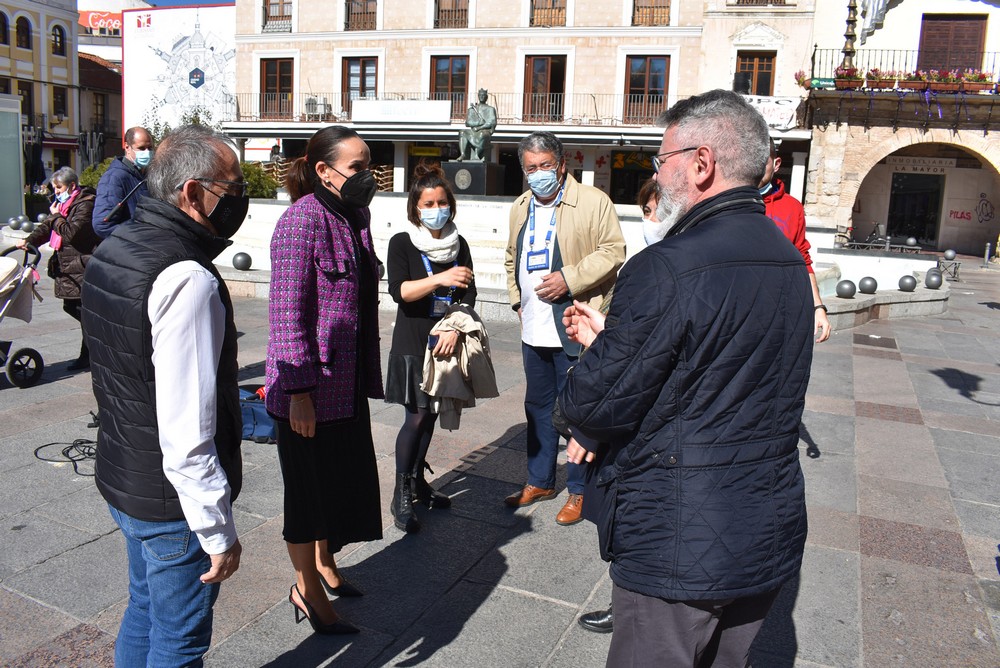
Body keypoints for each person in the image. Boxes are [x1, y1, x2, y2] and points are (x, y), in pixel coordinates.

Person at [559, 89, 814, 667]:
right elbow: (719, 369)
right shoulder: (787, 259)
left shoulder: (667, 265)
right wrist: (620, 343)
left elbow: (591, 406)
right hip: (767, 525)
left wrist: (599, 354)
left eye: (662, 159)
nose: (658, 172)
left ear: (701, 164)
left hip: (680, 538)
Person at [80, 125, 247, 666]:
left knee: (144, 611)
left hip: (125, 475)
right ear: (193, 194)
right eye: (233, 184)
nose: (241, 195)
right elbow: (186, 431)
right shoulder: (186, 277)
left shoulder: (117, 245)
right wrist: (217, 530)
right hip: (172, 502)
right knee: (178, 642)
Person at [265, 125, 384, 635]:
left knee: (335, 489)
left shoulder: (355, 214)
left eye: (369, 166)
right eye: (356, 168)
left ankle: (326, 565)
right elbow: (286, 315)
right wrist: (298, 394)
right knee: (306, 497)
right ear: (323, 171)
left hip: (347, 382)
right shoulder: (299, 223)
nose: (367, 177)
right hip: (307, 389)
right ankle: (306, 589)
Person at [503, 130, 625, 526]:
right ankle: (540, 479)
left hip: (574, 322)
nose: (537, 174)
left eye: (544, 166)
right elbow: (511, 257)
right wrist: (517, 300)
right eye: (530, 168)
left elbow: (613, 251)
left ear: (561, 164)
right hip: (533, 327)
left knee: (577, 408)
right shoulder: (520, 206)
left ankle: (579, 490)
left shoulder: (592, 201)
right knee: (537, 406)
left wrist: (569, 279)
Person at [576, 177, 660, 635]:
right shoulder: (644, 265)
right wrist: (604, 333)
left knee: (632, 512)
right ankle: (624, 600)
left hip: (651, 425)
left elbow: (646, 359)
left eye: (657, 210)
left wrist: (589, 425)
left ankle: (630, 607)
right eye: (645, 211)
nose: (650, 221)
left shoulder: (669, 269)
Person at [384, 162, 475, 533]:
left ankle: (418, 482)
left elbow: (469, 293)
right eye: (429, 203)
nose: (437, 208)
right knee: (417, 415)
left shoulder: (459, 243)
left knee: (432, 414)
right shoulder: (403, 242)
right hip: (412, 339)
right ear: (415, 208)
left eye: (442, 201)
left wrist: (456, 326)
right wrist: (439, 278)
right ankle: (400, 491)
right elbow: (401, 292)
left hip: (446, 339)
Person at [17, 167, 99, 370]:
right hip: (69, 265)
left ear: (72, 186)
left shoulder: (85, 204)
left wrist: (55, 217)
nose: (56, 191)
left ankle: (90, 352)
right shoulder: (64, 206)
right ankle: (89, 352)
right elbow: (47, 226)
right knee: (77, 308)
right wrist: (30, 240)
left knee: (79, 309)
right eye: (54, 187)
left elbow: (71, 233)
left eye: (59, 187)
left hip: (82, 263)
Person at [760, 139, 831, 343]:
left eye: (762, 161)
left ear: (776, 164)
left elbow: (802, 258)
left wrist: (818, 307)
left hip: (777, 309)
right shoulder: (730, 200)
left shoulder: (792, 208)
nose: (756, 168)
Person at [92, 126, 153, 239]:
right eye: (141, 148)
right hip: (131, 249)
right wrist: (138, 235)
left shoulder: (146, 175)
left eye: (150, 148)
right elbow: (102, 225)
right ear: (127, 147)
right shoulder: (114, 177)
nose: (147, 152)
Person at [458, 88, 497, 162]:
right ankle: (463, 154)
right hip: (473, 131)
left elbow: (492, 122)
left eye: (483, 95)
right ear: (478, 96)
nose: (482, 97)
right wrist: (478, 123)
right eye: (480, 95)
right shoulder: (472, 109)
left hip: (485, 131)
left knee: (482, 134)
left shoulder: (491, 109)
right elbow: (468, 123)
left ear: (486, 97)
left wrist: (479, 128)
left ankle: (477, 155)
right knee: (462, 132)